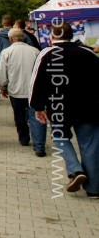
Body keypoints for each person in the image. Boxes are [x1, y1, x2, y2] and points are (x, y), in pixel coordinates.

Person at [30, 22, 99, 199]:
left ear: (53, 36)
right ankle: (93, 188)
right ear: (71, 35)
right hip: (88, 107)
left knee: (60, 138)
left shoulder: (47, 54)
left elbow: (37, 81)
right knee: (90, 145)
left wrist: (37, 106)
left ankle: (75, 169)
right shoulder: (88, 53)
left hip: (58, 106)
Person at [0, 28, 47, 156]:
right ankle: (39, 145)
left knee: (19, 116)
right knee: (36, 117)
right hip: (34, 91)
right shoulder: (35, 51)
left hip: (16, 90)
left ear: (10, 39)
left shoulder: (6, 52)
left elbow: (2, 72)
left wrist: (2, 86)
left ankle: (24, 138)